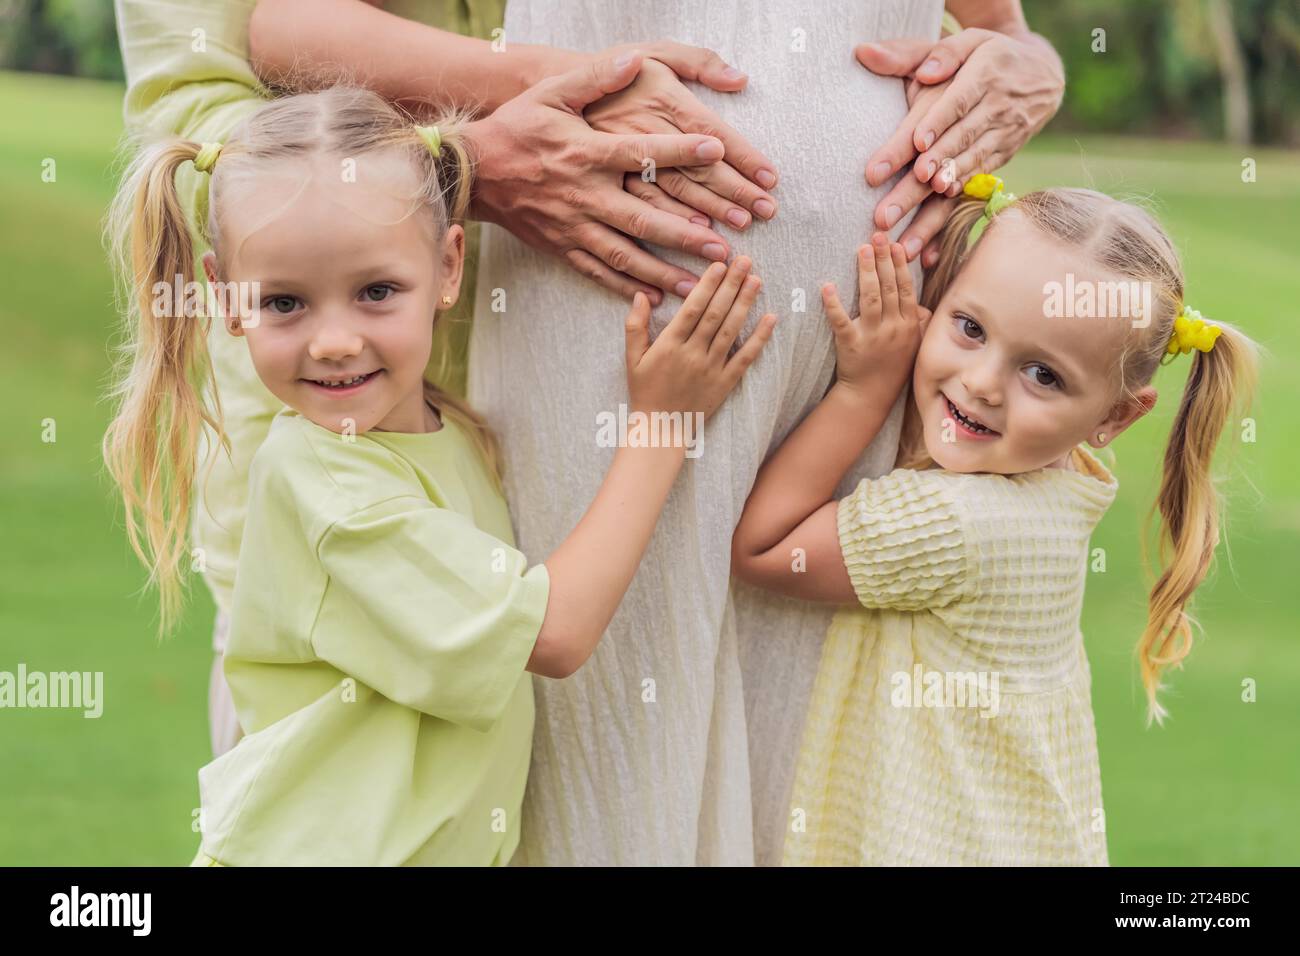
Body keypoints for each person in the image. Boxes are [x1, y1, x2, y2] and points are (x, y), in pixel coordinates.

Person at [103, 85, 774, 864]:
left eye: (376, 292)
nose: (332, 341)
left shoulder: (447, 435)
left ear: (449, 266)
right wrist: (662, 424)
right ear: (227, 300)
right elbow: (552, 634)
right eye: (285, 302)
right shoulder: (327, 488)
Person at [468, 0, 1067, 865]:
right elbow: (290, 27)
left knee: (811, 751)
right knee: (605, 748)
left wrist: (1032, 70)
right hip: (602, 302)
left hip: (866, 346)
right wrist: (528, 97)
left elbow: (1012, 36)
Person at [731, 179, 1257, 864]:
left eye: (1042, 374)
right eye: (971, 328)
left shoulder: (956, 522)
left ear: (1115, 417)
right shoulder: (1066, 486)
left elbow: (765, 547)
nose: (982, 382)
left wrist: (865, 388)